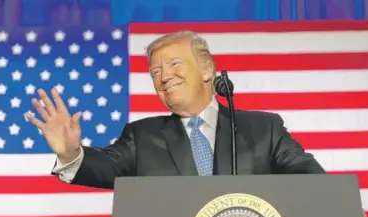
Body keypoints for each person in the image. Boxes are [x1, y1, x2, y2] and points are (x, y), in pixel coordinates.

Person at [26, 30, 326, 189]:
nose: (164, 76)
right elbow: (105, 167)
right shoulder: (142, 136)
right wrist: (69, 154)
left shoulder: (263, 129)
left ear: (207, 69)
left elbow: (306, 173)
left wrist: (338, 206)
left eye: (174, 64)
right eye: (155, 71)